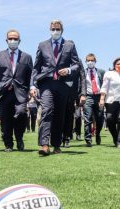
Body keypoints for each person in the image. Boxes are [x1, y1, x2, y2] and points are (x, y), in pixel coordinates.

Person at [30, 20, 80, 156]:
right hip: (46, 83)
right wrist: (33, 85)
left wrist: (69, 70)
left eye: (57, 29)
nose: (55, 31)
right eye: (53, 29)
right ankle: (44, 145)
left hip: (63, 85)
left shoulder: (70, 45)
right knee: (47, 110)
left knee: (59, 114)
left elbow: (77, 65)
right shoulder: (42, 45)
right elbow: (36, 67)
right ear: (49, 30)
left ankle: (56, 144)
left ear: (62, 30)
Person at [0, 29, 33, 152]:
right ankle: (8, 144)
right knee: (5, 119)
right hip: (4, 92)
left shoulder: (27, 57)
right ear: (6, 40)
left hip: (21, 92)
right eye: (10, 38)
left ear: (19, 40)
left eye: (15, 38)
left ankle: (19, 138)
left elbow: (31, 76)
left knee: (21, 114)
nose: (13, 41)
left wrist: (32, 89)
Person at [78, 53, 105, 147]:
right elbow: (80, 85)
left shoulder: (101, 72)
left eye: (92, 60)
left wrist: (103, 97)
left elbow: (105, 85)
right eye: (88, 60)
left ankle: (97, 134)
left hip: (99, 97)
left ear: (95, 61)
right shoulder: (82, 73)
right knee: (87, 118)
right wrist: (81, 95)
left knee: (100, 118)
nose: (90, 62)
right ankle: (88, 139)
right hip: (88, 97)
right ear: (85, 62)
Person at [62, 59, 85, 148]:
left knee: (69, 116)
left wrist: (83, 94)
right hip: (58, 91)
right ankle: (57, 137)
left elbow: (82, 77)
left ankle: (66, 138)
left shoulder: (78, 61)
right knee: (58, 115)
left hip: (73, 93)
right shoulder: (59, 57)